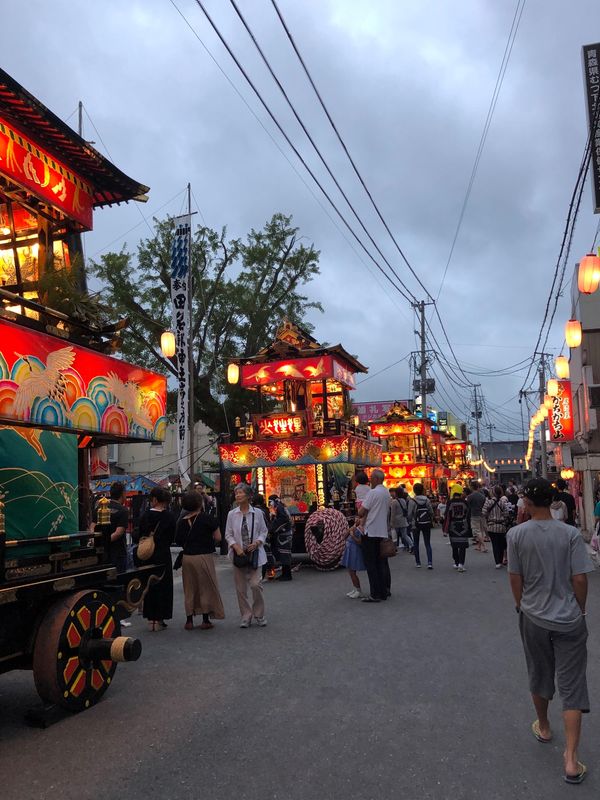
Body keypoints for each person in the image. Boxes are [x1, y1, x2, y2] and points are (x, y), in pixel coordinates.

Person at [507, 478, 594, 785]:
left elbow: (515, 577)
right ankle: (571, 760)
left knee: (539, 672)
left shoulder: (516, 534)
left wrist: (521, 605)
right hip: (569, 617)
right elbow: (580, 579)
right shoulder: (569, 533)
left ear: (527, 504)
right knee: (572, 686)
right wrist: (579, 609)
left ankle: (543, 726)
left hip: (533, 616)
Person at [175, 490, 224, 631]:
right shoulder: (207, 518)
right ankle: (205, 619)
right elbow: (218, 537)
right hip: (203, 556)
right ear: (199, 503)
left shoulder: (182, 522)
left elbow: (178, 540)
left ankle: (189, 619)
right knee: (205, 587)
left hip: (187, 558)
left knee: (189, 588)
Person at [225, 483, 269, 627]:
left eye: (240, 493)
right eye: (236, 493)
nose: (237, 495)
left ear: (249, 496)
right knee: (240, 588)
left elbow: (264, 531)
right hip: (238, 555)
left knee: (256, 585)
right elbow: (228, 534)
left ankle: (259, 613)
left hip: (255, 554)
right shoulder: (232, 514)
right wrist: (235, 546)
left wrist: (257, 542)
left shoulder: (258, 513)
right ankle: (246, 615)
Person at [139, 488, 176, 631]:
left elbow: (138, 533)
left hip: (147, 554)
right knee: (163, 584)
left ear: (154, 500)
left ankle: (150, 620)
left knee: (149, 584)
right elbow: (172, 537)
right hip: (162, 553)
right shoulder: (169, 517)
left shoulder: (145, 515)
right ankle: (160, 619)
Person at [357, 468, 391, 602]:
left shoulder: (373, 493)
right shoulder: (386, 492)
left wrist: (360, 511)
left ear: (376, 479)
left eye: (371, 478)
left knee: (371, 565)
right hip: (381, 531)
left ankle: (375, 593)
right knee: (380, 563)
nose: (369, 480)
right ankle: (383, 591)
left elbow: (361, 511)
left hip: (370, 531)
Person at [90, 481, 129, 573]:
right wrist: (105, 541)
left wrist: (96, 540)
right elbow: (119, 532)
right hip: (117, 552)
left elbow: (92, 526)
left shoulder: (100, 507)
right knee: (118, 578)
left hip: (101, 551)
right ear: (123, 494)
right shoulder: (123, 510)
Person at [482, 486, 510, 568]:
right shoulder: (503, 503)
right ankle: (501, 560)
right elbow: (506, 514)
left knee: (495, 544)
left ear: (493, 493)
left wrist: (488, 515)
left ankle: (497, 562)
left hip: (491, 526)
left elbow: (483, 512)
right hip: (501, 526)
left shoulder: (488, 502)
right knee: (501, 544)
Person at [444, 489, 471, 571]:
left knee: (454, 545)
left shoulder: (450, 502)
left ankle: (456, 562)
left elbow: (447, 515)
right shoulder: (464, 502)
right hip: (463, 525)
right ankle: (461, 564)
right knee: (462, 546)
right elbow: (468, 514)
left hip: (453, 526)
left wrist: (445, 528)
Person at [268, 494, 293, 581]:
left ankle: (287, 575)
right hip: (285, 533)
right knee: (284, 554)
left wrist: (272, 529)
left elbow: (283, 519)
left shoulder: (279, 507)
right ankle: (285, 574)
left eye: (270, 501)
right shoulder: (281, 506)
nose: (269, 504)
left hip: (284, 534)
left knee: (285, 554)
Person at [410, 483, 434, 569]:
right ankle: (430, 562)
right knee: (427, 543)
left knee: (416, 543)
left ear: (414, 491)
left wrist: (411, 521)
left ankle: (418, 562)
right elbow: (431, 511)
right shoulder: (427, 500)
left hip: (415, 524)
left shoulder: (412, 501)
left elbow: (409, 514)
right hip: (426, 523)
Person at [340, 520, 366, 598]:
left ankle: (359, 590)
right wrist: (351, 528)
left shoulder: (362, 529)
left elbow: (360, 542)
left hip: (355, 550)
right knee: (350, 571)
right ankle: (355, 588)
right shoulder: (354, 527)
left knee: (352, 571)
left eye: (359, 518)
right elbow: (344, 536)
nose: (356, 519)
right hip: (350, 549)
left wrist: (353, 536)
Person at [465, 481, 487, 552]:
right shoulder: (482, 496)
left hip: (474, 514)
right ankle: (479, 546)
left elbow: (467, 506)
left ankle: (483, 546)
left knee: (477, 531)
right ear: (478, 487)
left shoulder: (470, 496)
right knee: (481, 530)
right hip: (481, 514)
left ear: (472, 487)